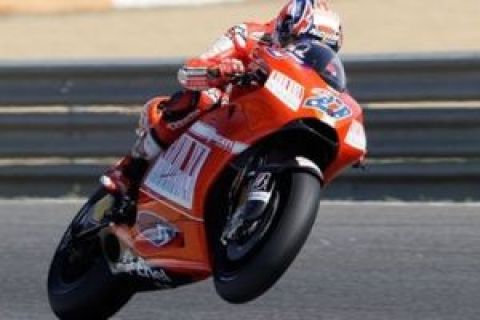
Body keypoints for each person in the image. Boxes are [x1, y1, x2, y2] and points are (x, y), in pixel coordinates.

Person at [101, 0, 343, 218]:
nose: (305, 54)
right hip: (223, 117)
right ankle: (129, 170)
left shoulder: (322, 69)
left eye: (320, 49)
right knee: (204, 98)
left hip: (267, 122)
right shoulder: (247, 35)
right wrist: (218, 72)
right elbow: (188, 73)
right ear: (284, 26)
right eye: (299, 43)